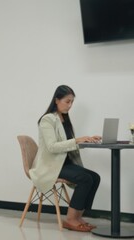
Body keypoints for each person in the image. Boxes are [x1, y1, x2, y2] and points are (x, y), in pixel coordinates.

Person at [29, 85, 101, 232]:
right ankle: (70, 219)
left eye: (72, 102)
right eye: (67, 101)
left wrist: (86, 139)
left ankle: (78, 217)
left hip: (64, 163)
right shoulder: (47, 120)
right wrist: (77, 140)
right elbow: (52, 146)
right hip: (51, 166)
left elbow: (67, 145)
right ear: (57, 100)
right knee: (85, 179)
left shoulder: (64, 119)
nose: (70, 105)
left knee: (95, 177)